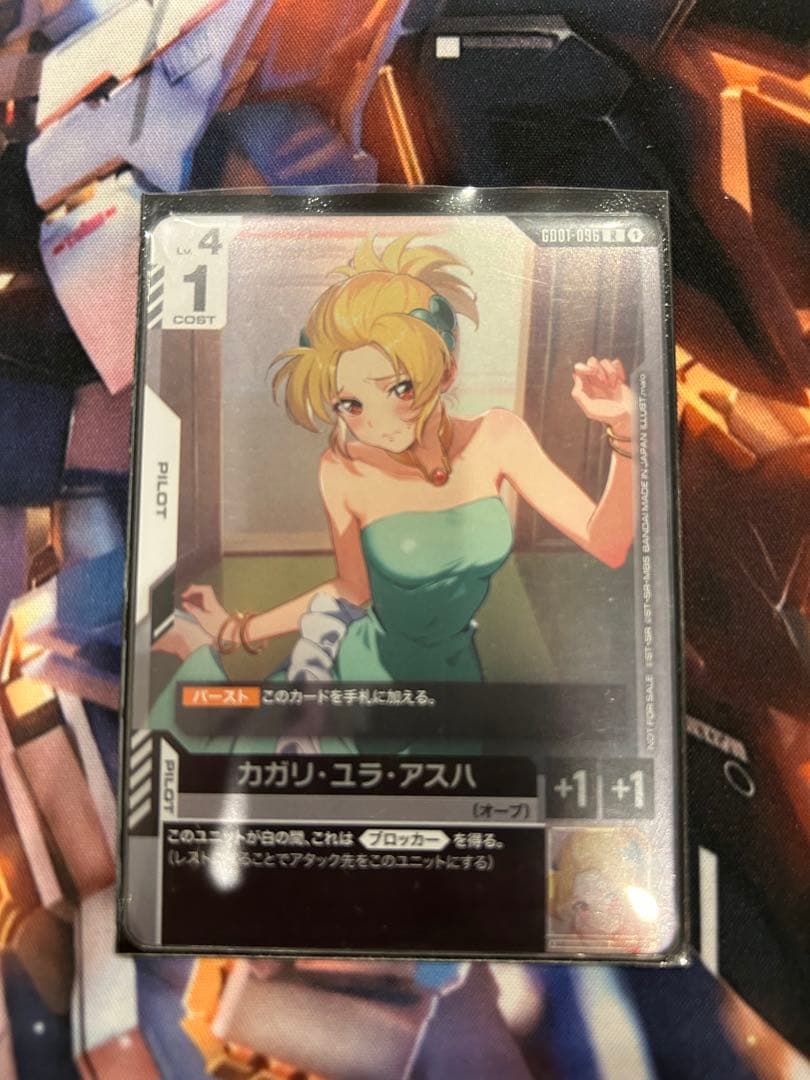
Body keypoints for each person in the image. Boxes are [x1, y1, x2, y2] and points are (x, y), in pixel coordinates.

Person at [155, 235, 635, 746]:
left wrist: (626, 430)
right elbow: (351, 589)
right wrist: (236, 630)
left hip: (455, 678)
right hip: (366, 676)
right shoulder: (343, 470)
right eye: (351, 404)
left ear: (446, 369)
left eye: (400, 388)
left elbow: (607, 542)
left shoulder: (498, 437)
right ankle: (197, 649)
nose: (378, 423)